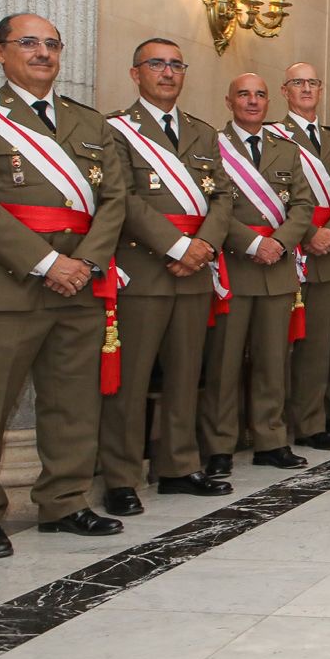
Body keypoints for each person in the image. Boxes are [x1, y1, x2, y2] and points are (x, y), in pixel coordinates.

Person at [0, 14, 128, 559]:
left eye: (52, 44)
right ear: (0, 52)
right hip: (8, 285)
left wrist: (87, 263)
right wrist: (48, 262)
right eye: (29, 43)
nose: (43, 53)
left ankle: (64, 500)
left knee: (72, 400)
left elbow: (115, 201)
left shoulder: (90, 124)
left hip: (80, 284)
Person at [100, 37, 234, 518]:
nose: (167, 72)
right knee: (130, 380)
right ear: (136, 73)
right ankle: (120, 476)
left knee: (184, 374)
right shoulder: (115, 130)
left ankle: (178, 465)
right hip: (144, 270)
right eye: (156, 64)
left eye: (176, 65)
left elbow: (222, 196)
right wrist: (178, 246)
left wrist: (202, 247)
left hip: (196, 271)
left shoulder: (202, 133)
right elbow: (123, 197)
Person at [200, 73, 313, 475]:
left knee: (272, 362)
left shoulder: (287, 149)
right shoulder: (212, 145)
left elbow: (303, 206)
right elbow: (211, 205)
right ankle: (218, 445)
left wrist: (279, 243)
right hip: (233, 269)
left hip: (277, 268)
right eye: (244, 95)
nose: (252, 101)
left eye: (260, 95)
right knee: (224, 363)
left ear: (269, 103)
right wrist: (252, 244)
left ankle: (270, 439)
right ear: (228, 101)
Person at [272, 63, 330, 450]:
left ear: (321, 90)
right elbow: (271, 196)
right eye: (298, 82)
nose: (306, 89)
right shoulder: (273, 137)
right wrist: (308, 234)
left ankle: (310, 423)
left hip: (327, 255)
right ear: (284, 90)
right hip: (287, 252)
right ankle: (272, 428)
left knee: (318, 346)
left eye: (313, 82)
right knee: (276, 347)